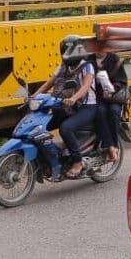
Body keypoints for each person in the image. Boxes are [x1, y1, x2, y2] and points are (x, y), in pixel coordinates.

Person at [33, 35, 98, 179]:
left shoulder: (87, 66)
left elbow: (86, 87)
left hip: (86, 107)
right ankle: (49, 160)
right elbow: (48, 84)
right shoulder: (63, 66)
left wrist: (74, 98)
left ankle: (77, 161)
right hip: (65, 106)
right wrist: (33, 96)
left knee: (65, 128)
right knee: (37, 127)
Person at [93, 47, 128, 164]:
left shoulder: (115, 59)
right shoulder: (89, 60)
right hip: (97, 97)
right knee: (100, 111)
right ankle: (109, 146)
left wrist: (112, 89)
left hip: (114, 97)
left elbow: (122, 80)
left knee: (114, 112)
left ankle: (114, 145)